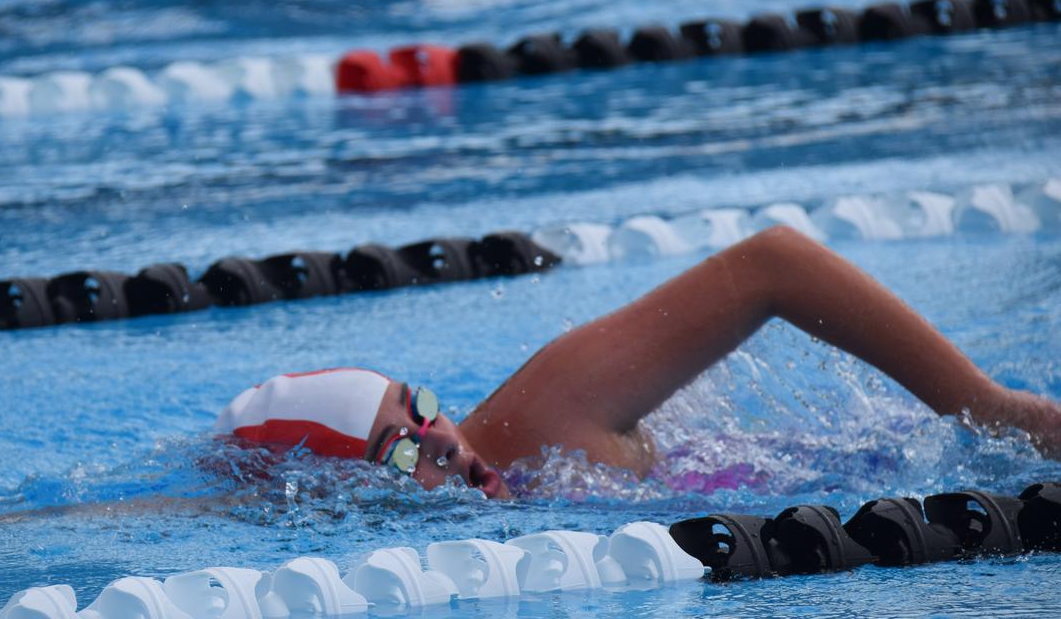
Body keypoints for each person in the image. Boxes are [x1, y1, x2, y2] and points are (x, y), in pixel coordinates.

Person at [215, 226, 1061, 499]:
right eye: (396, 450)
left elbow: (774, 262)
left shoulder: (538, 422)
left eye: (420, 407)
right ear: (333, 493)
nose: (437, 439)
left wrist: (989, 408)